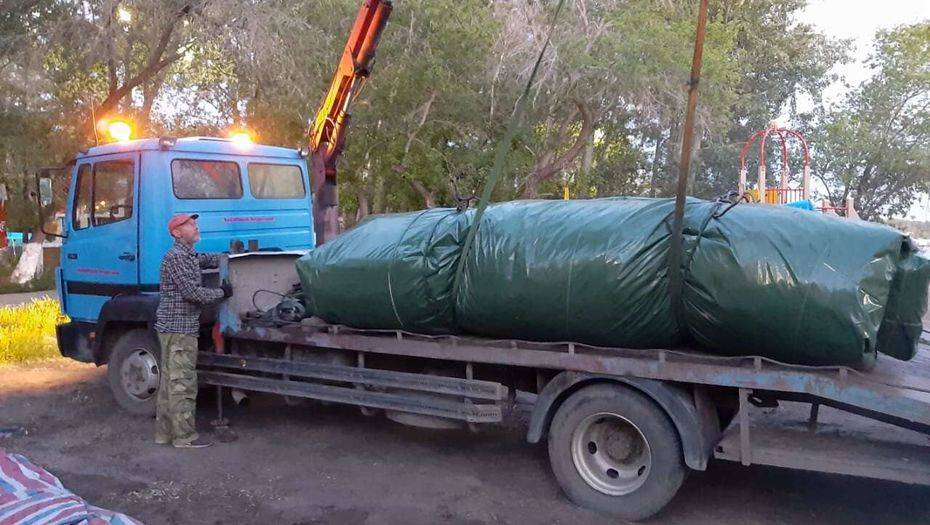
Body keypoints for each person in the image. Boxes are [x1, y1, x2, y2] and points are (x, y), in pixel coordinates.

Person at [154, 213, 232, 448]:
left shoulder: (187, 255)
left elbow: (202, 259)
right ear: (177, 233)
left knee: (169, 383)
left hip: (174, 328)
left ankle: (165, 434)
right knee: (182, 383)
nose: (195, 227)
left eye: (195, 223)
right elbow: (192, 293)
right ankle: (184, 438)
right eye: (189, 224)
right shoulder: (177, 257)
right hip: (180, 330)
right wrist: (222, 293)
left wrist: (227, 256)